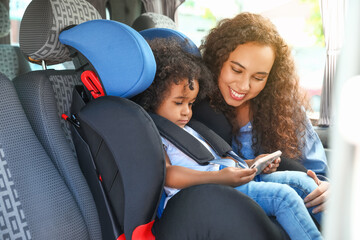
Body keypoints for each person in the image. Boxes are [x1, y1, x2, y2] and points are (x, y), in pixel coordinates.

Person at [136, 37, 322, 240]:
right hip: (209, 190)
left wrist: (253, 163)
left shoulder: (190, 129)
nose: (186, 112)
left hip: (229, 178)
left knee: (302, 182)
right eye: (179, 102)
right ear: (153, 99)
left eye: (190, 104)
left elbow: (213, 159)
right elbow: (170, 175)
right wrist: (220, 178)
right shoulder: (156, 133)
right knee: (283, 198)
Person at [192, 12, 329, 214]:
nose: (244, 86)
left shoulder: (286, 109)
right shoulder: (191, 108)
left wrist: (327, 187)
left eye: (258, 77)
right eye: (236, 70)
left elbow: (318, 172)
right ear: (218, 61)